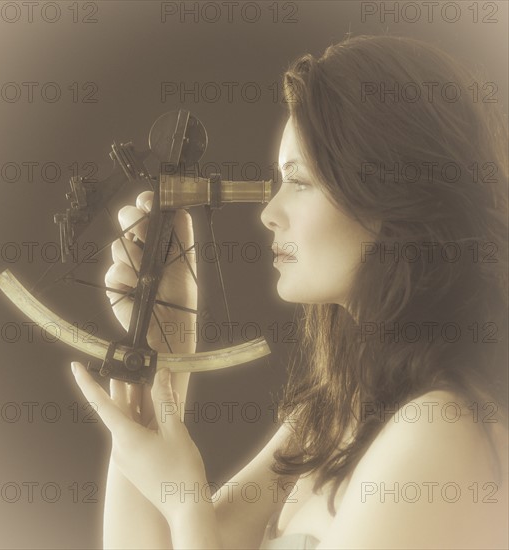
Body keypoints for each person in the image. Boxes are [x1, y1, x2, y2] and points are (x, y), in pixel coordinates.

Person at [71, 33, 508, 549]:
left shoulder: (439, 432)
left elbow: (189, 529)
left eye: (298, 181)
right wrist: (165, 347)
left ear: (388, 195)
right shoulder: (330, 416)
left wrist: (186, 502)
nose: (268, 214)